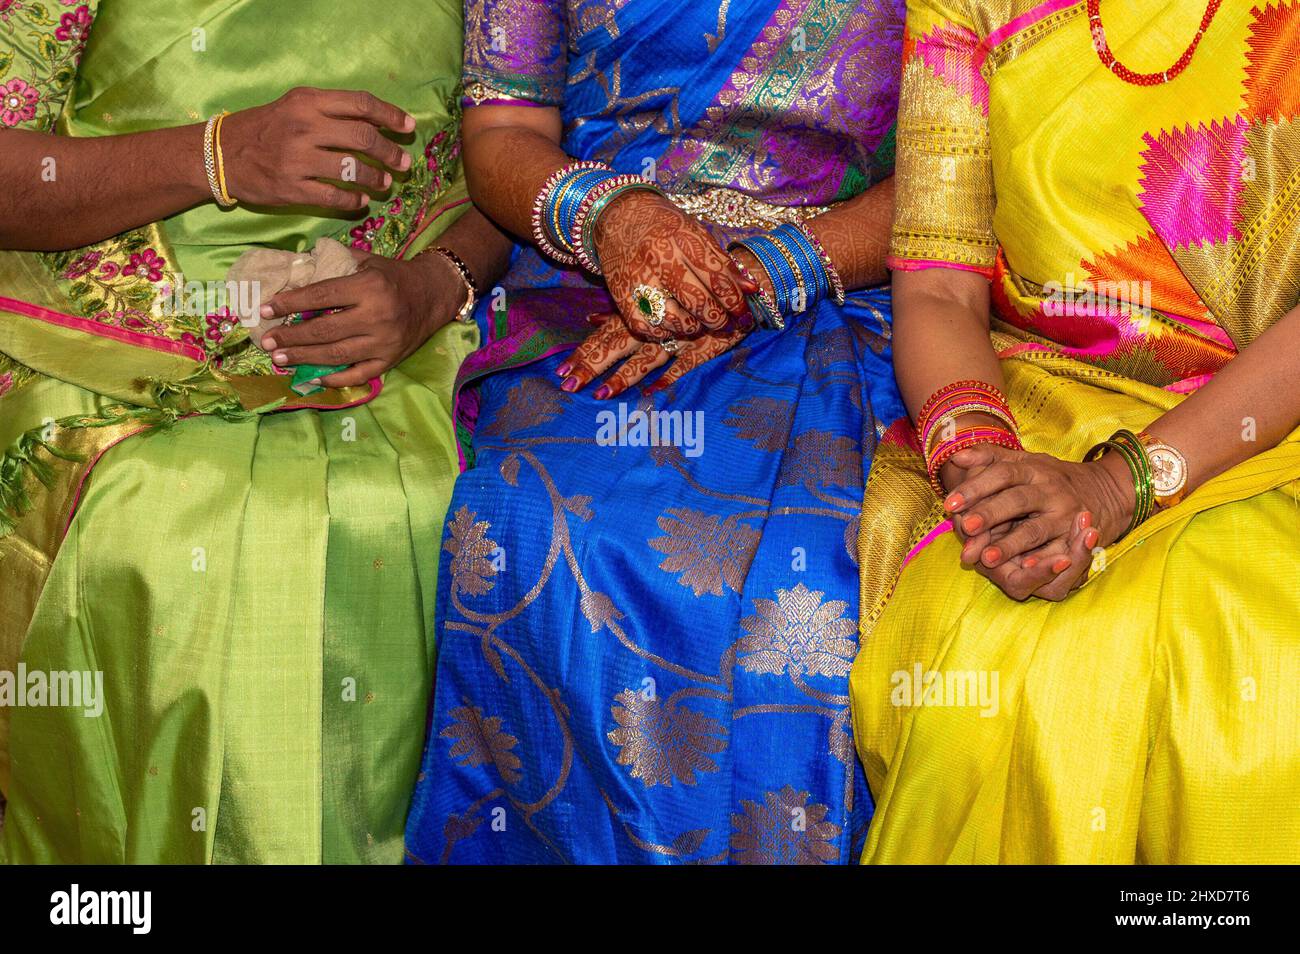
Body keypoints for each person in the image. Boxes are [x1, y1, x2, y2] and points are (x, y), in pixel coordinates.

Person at [0, 0, 511, 863]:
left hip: (410, 328)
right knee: (151, 532)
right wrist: (218, 153)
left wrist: (433, 285)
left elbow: (524, 153)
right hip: (101, 335)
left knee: (446, 516)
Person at [403, 0, 905, 864]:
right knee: (532, 529)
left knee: (824, 587)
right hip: (590, 283)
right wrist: (616, 220)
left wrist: (758, 278)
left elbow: (956, 167)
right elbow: (501, 137)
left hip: (841, 283)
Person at [850, 0, 1300, 863]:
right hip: (1042, 407)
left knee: (1260, 682)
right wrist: (996, 490)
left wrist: (1118, 484)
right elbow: (939, 290)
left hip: (1274, 411)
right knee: (984, 676)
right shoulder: (968, 9)